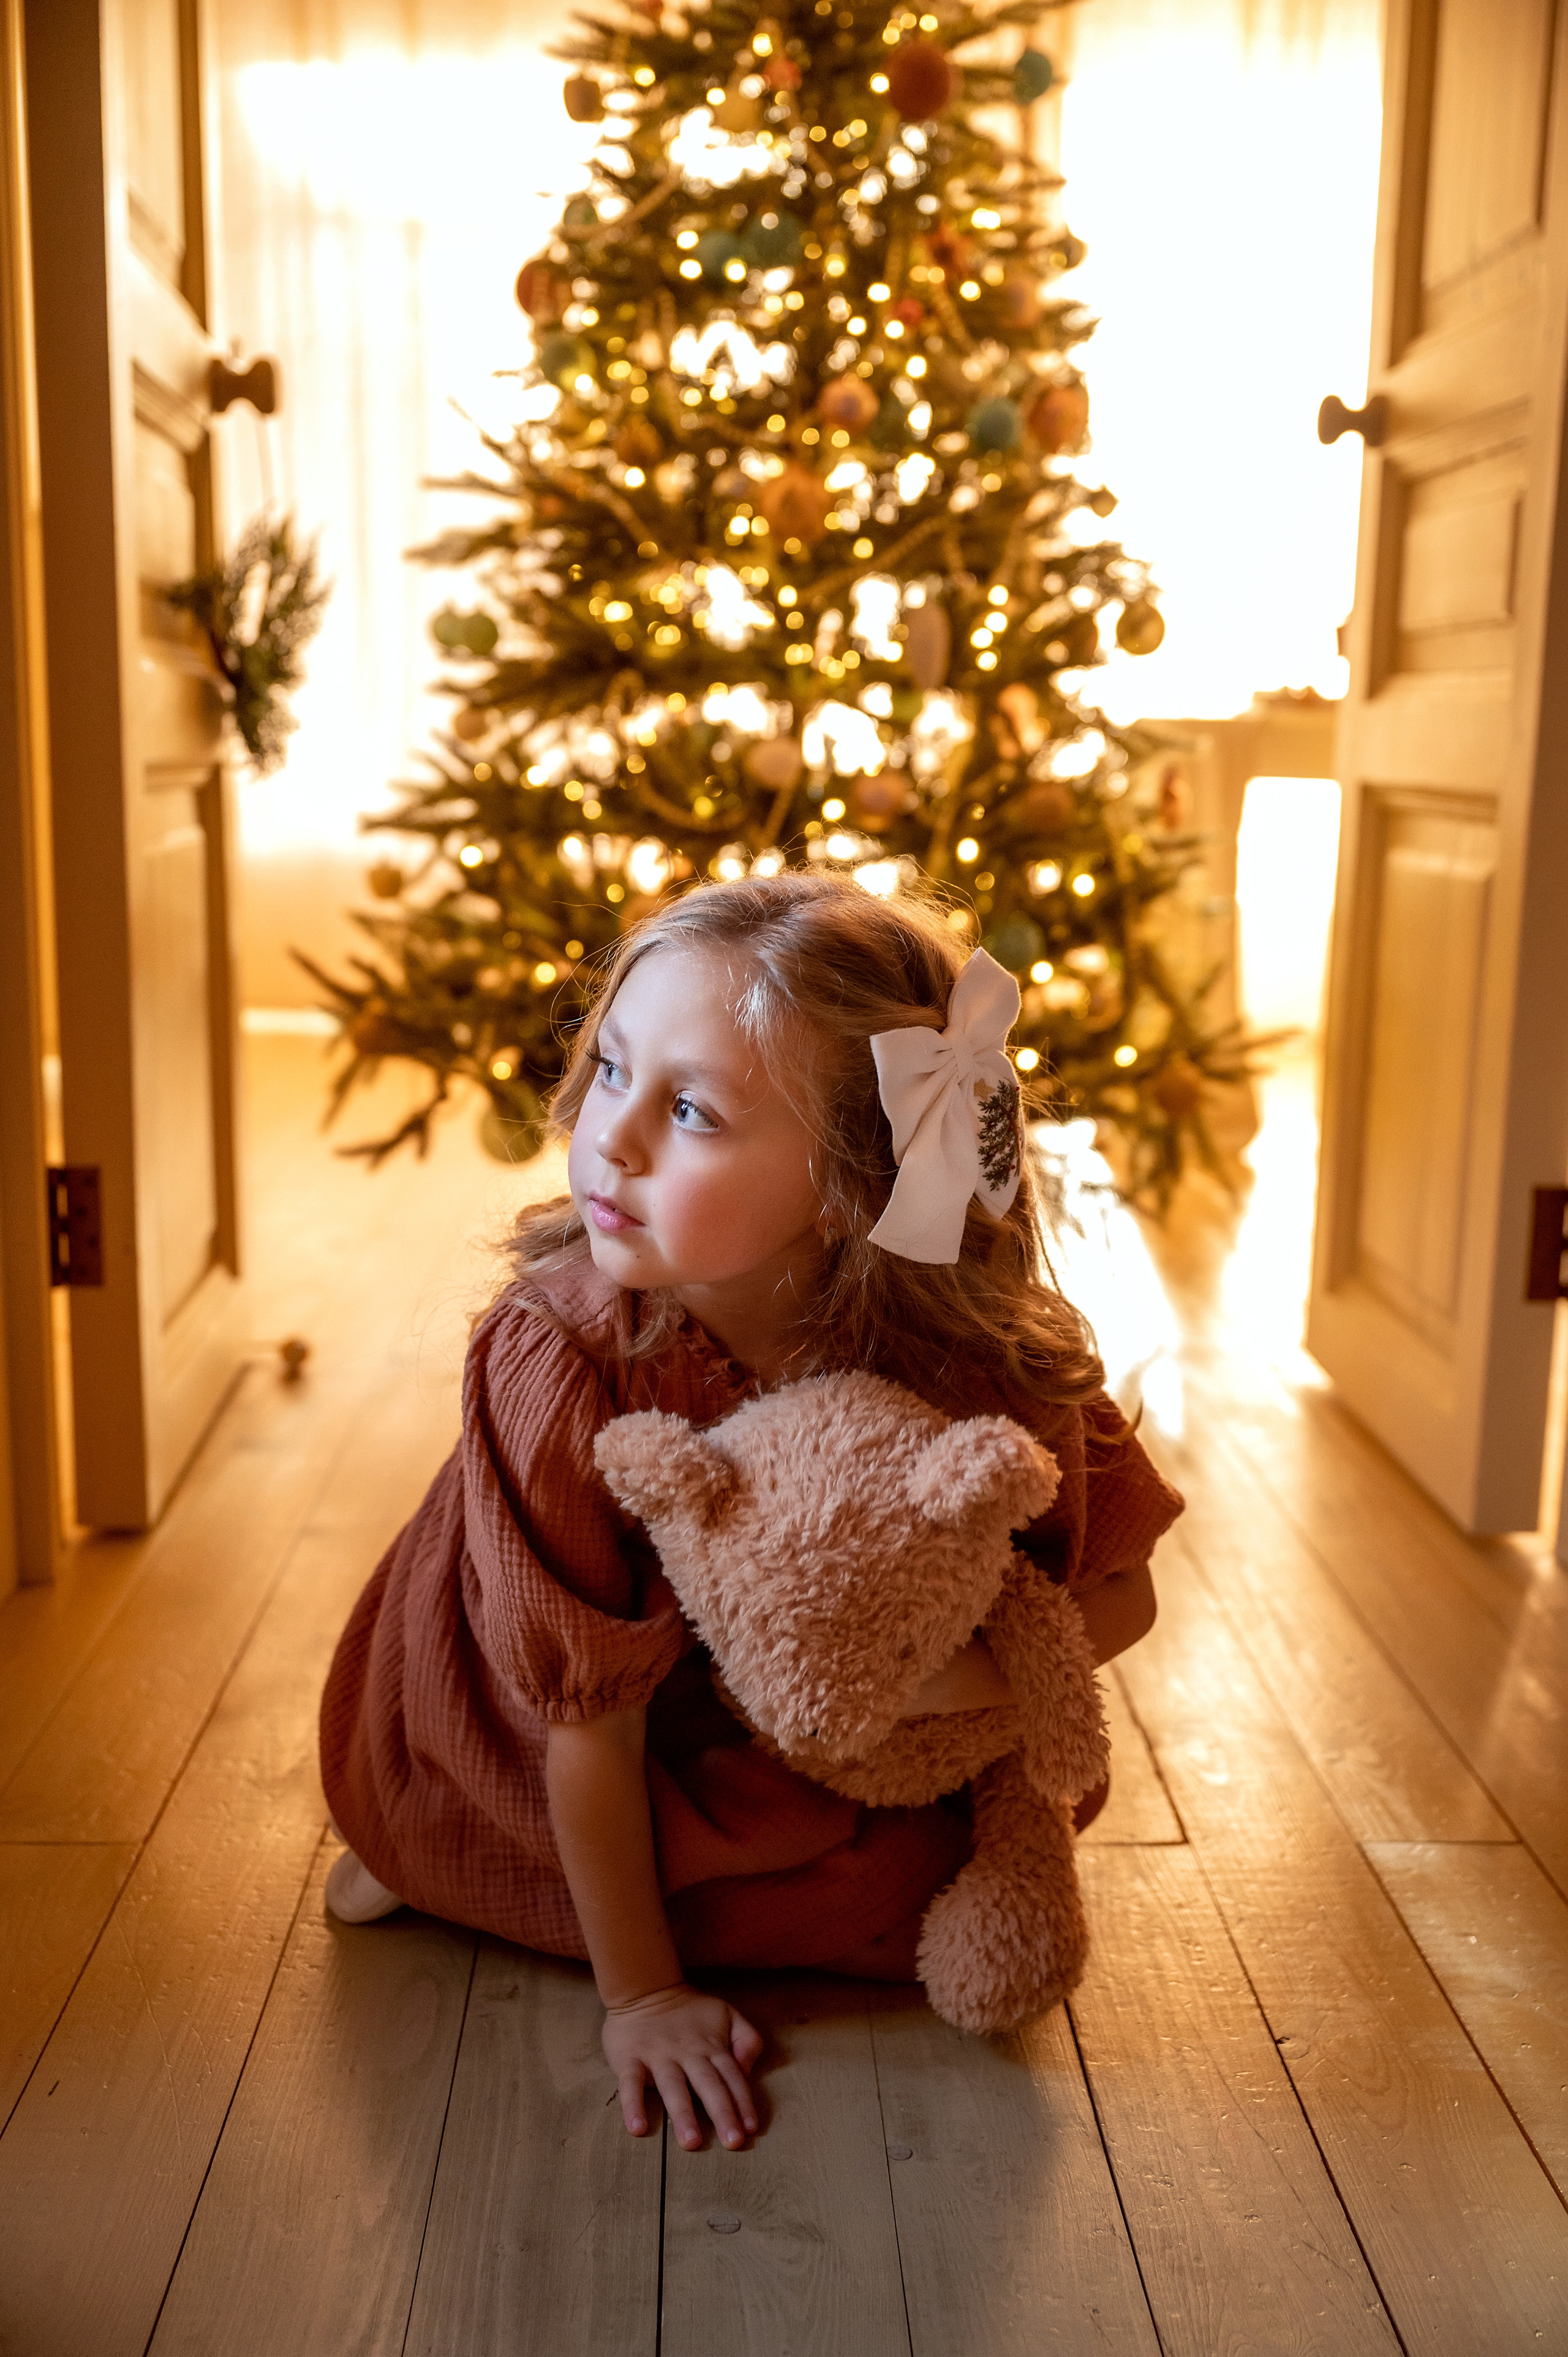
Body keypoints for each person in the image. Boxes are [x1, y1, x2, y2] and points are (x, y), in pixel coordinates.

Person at [319, 871, 1182, 2154]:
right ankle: (441, 1845)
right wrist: (644, 1997)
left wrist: (926, 1681)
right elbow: (584, 1726)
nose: (611, 1138)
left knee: (916, 1899)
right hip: (564, 1732)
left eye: (688, 1111)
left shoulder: (978, 1359)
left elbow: (1118, 1591)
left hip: (829, 1744)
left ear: (847, 1183)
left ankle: (574, 1882)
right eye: (610, 1069)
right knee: (490, 1827)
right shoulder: (558, 1353)